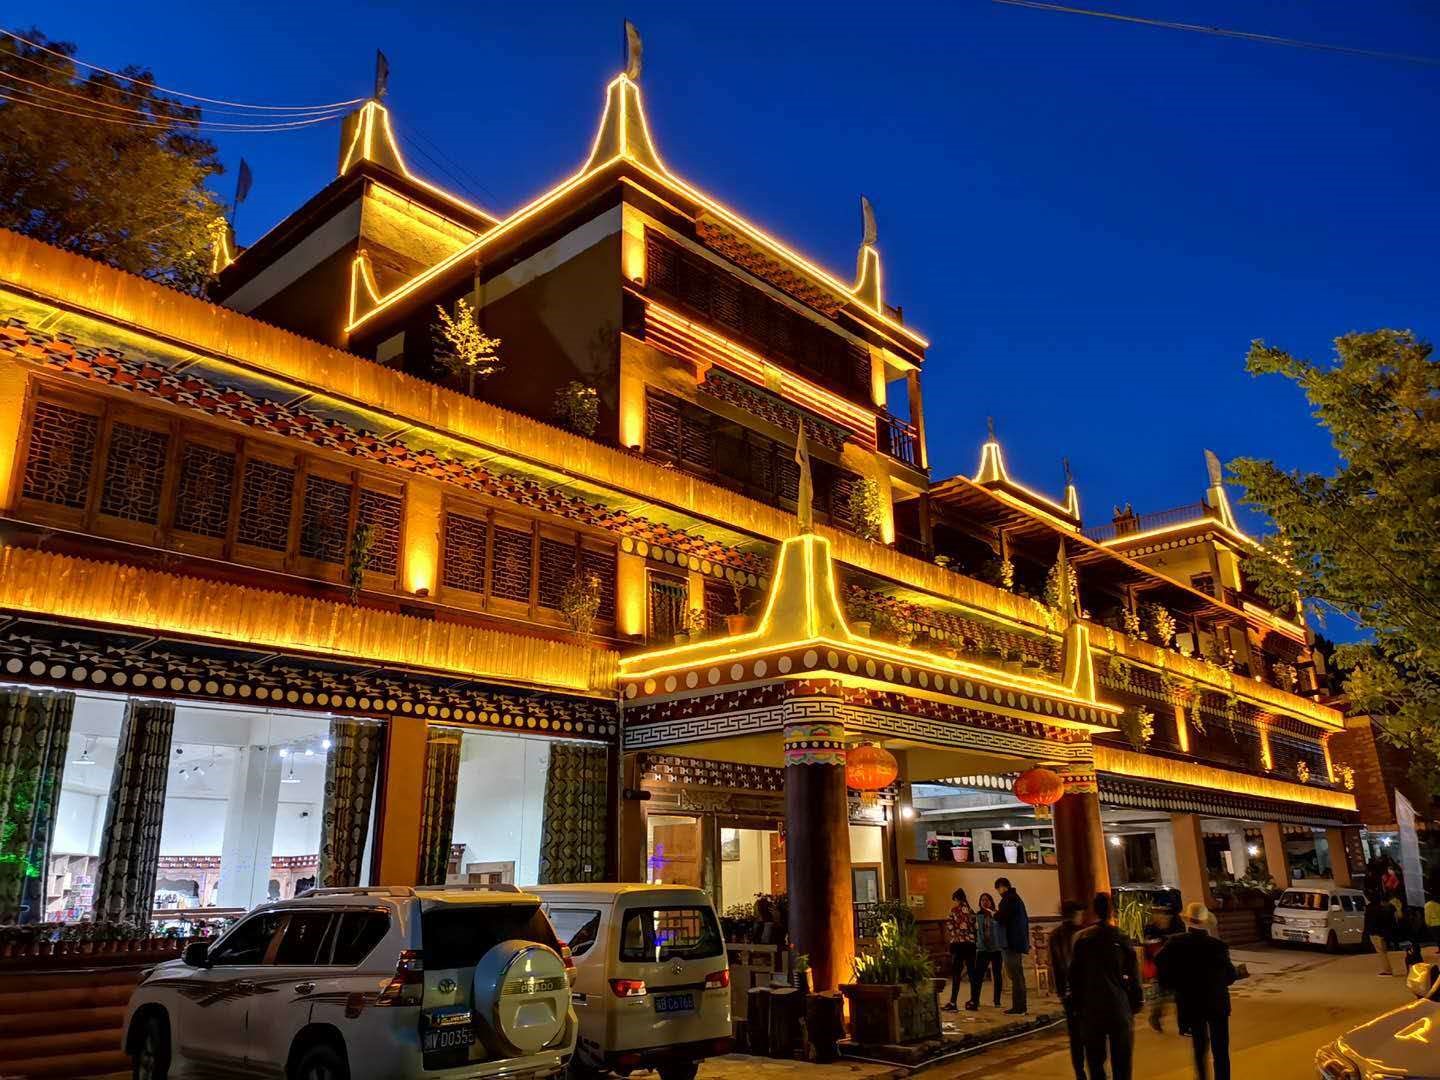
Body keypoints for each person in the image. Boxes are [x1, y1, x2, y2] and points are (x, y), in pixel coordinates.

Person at [1156, 901, 1238, 1080]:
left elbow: (1160, 964)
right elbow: (1230, 976)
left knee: (1199, 1048)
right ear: (1205, 923)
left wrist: (1175, 984)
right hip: (1217, 1004)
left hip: (1192, 1003)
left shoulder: (1175, 943)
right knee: (1221, 1050)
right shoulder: (1218, 946)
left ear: (1188, 922)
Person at [1069, 892, 1141, 1080]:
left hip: (1092, 1008)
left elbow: (1074, 977)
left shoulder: (1083, 941)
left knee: (1095, 1062)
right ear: (1111, 911)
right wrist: (1135, 1002)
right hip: (1118, 1006)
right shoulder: (1121, 939)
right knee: (1122, 1062)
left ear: (1094, 911)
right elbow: (1134, 974)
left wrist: (1077, 1006)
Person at [1048, 900, 1088, 1080]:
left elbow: (1055, 966)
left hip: (1068, 991)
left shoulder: (1055, 935)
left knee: (1075, 1035)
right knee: (1090, 1032)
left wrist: (1061, 991)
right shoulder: (1083, 934)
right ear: (1075, 914)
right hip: (1084, 990)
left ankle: (1080, 1071)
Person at [1144, 901, 1185, 1033]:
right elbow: (1151, 950)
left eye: (1163, 913)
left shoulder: (1176, 925)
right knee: (1161, 996)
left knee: (1179, 995)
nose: (1162, 916)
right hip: (1158, 967)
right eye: (1158, 913)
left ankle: (1184, 1024)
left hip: (1173, 965)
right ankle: (1155, 1017)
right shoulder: (1150, 928)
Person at [995, 876, 1030, 1014]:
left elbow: (1002, 917)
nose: (998, 892)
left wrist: (994, 914)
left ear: (1003, 887)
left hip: (1011, 942)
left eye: (998, 888)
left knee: (1015, 975)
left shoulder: (1009, 899)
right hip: (1017, 941)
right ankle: (1020, 1005)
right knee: (1017, 975)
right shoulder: (1015, 898)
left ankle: (1019, 1006)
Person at [968, 891, 1005, 1009]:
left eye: (987, 900)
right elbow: (973, 929)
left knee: (997, 975)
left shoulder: (996, 914)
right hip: (983, 949)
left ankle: (997, 1000)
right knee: (978, 975)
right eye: (982, 900)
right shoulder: (977, 915)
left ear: (991, 902)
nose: (985, 902)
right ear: (980, 903)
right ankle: (975, 1000)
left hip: (996, 948)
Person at [943, 888, 977, 1011]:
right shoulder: (971, 911)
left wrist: (955, 935)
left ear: (957, 899)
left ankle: (953, 1002)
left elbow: (949, 926)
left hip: (958, 944)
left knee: (956, 974)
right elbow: (975, 927)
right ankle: (974, 1001)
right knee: (972, 973)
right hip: (970, 944)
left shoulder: (954, 910)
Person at [1366, 895, 1397, 975]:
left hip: (1376, 933)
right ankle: (1387, 969)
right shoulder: (1390, 909)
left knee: (1381, 952)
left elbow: (1371, 922)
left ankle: (1387, 970)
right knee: (1383, 951)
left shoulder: (1376, 909)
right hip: (1383, 933)